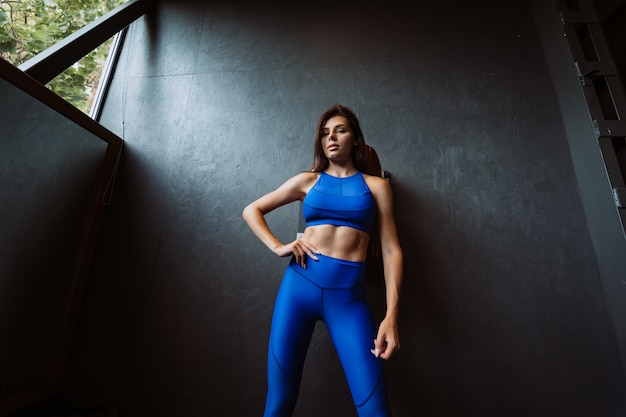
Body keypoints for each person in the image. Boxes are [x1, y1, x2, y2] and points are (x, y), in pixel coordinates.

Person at [242, 104, 403, 417]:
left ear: (355, 139)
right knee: (279, 402)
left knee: (375, 409)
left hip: (347, 300)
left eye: (340, 130)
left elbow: (391, 250)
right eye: (325, 133)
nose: (331, 138)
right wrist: (278, 246)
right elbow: (252, 210)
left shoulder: (377, 187)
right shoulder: (308, 181)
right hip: (297, 290)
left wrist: (391, 315)